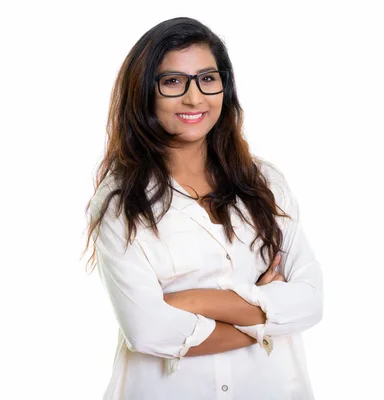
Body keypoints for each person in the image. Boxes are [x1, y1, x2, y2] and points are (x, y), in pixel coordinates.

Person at [82, 17, 323, 400]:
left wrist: (191, 302)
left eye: (207, 79)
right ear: (145, 93)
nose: (195, 98)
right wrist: (266, 312)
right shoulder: (120, 201)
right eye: (173, 81)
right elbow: (147, 330)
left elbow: (309, 301)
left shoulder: (266, 182)